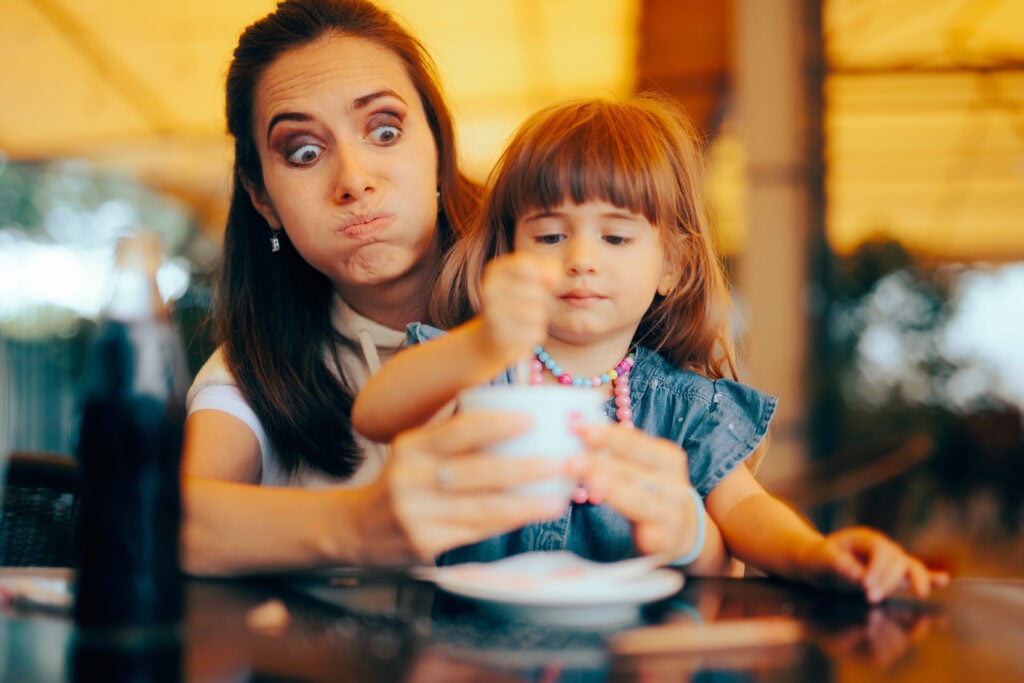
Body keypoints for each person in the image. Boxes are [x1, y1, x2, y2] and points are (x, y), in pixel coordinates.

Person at [352, 95, 950, 602]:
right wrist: (483, 343)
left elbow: (745, 510)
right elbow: (377, 414)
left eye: (615, 235)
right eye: (550, 235)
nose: (580, 258)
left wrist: (815, 555)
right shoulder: (474, 369)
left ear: (672, 264)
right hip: (465, 656)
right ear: (508, 253)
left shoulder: (685, 405)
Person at [180, 0, 596, 575]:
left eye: (384, 130)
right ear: (263, 199)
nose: (353, 179)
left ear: (438, 144)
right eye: (304, 151)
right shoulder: (254, 368)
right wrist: (356, 525)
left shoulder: (567, 291)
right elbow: (173, 523)